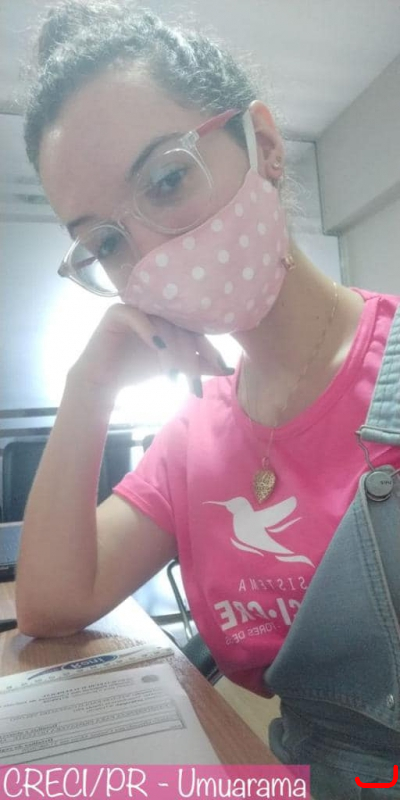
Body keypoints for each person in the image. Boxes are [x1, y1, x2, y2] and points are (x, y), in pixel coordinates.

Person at [16, 1, 400, 797]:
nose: (151, 253)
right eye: (106, 243)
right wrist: (89, 384)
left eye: (166, 179)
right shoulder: (195, 436)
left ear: (263, 144)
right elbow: (51, 603)